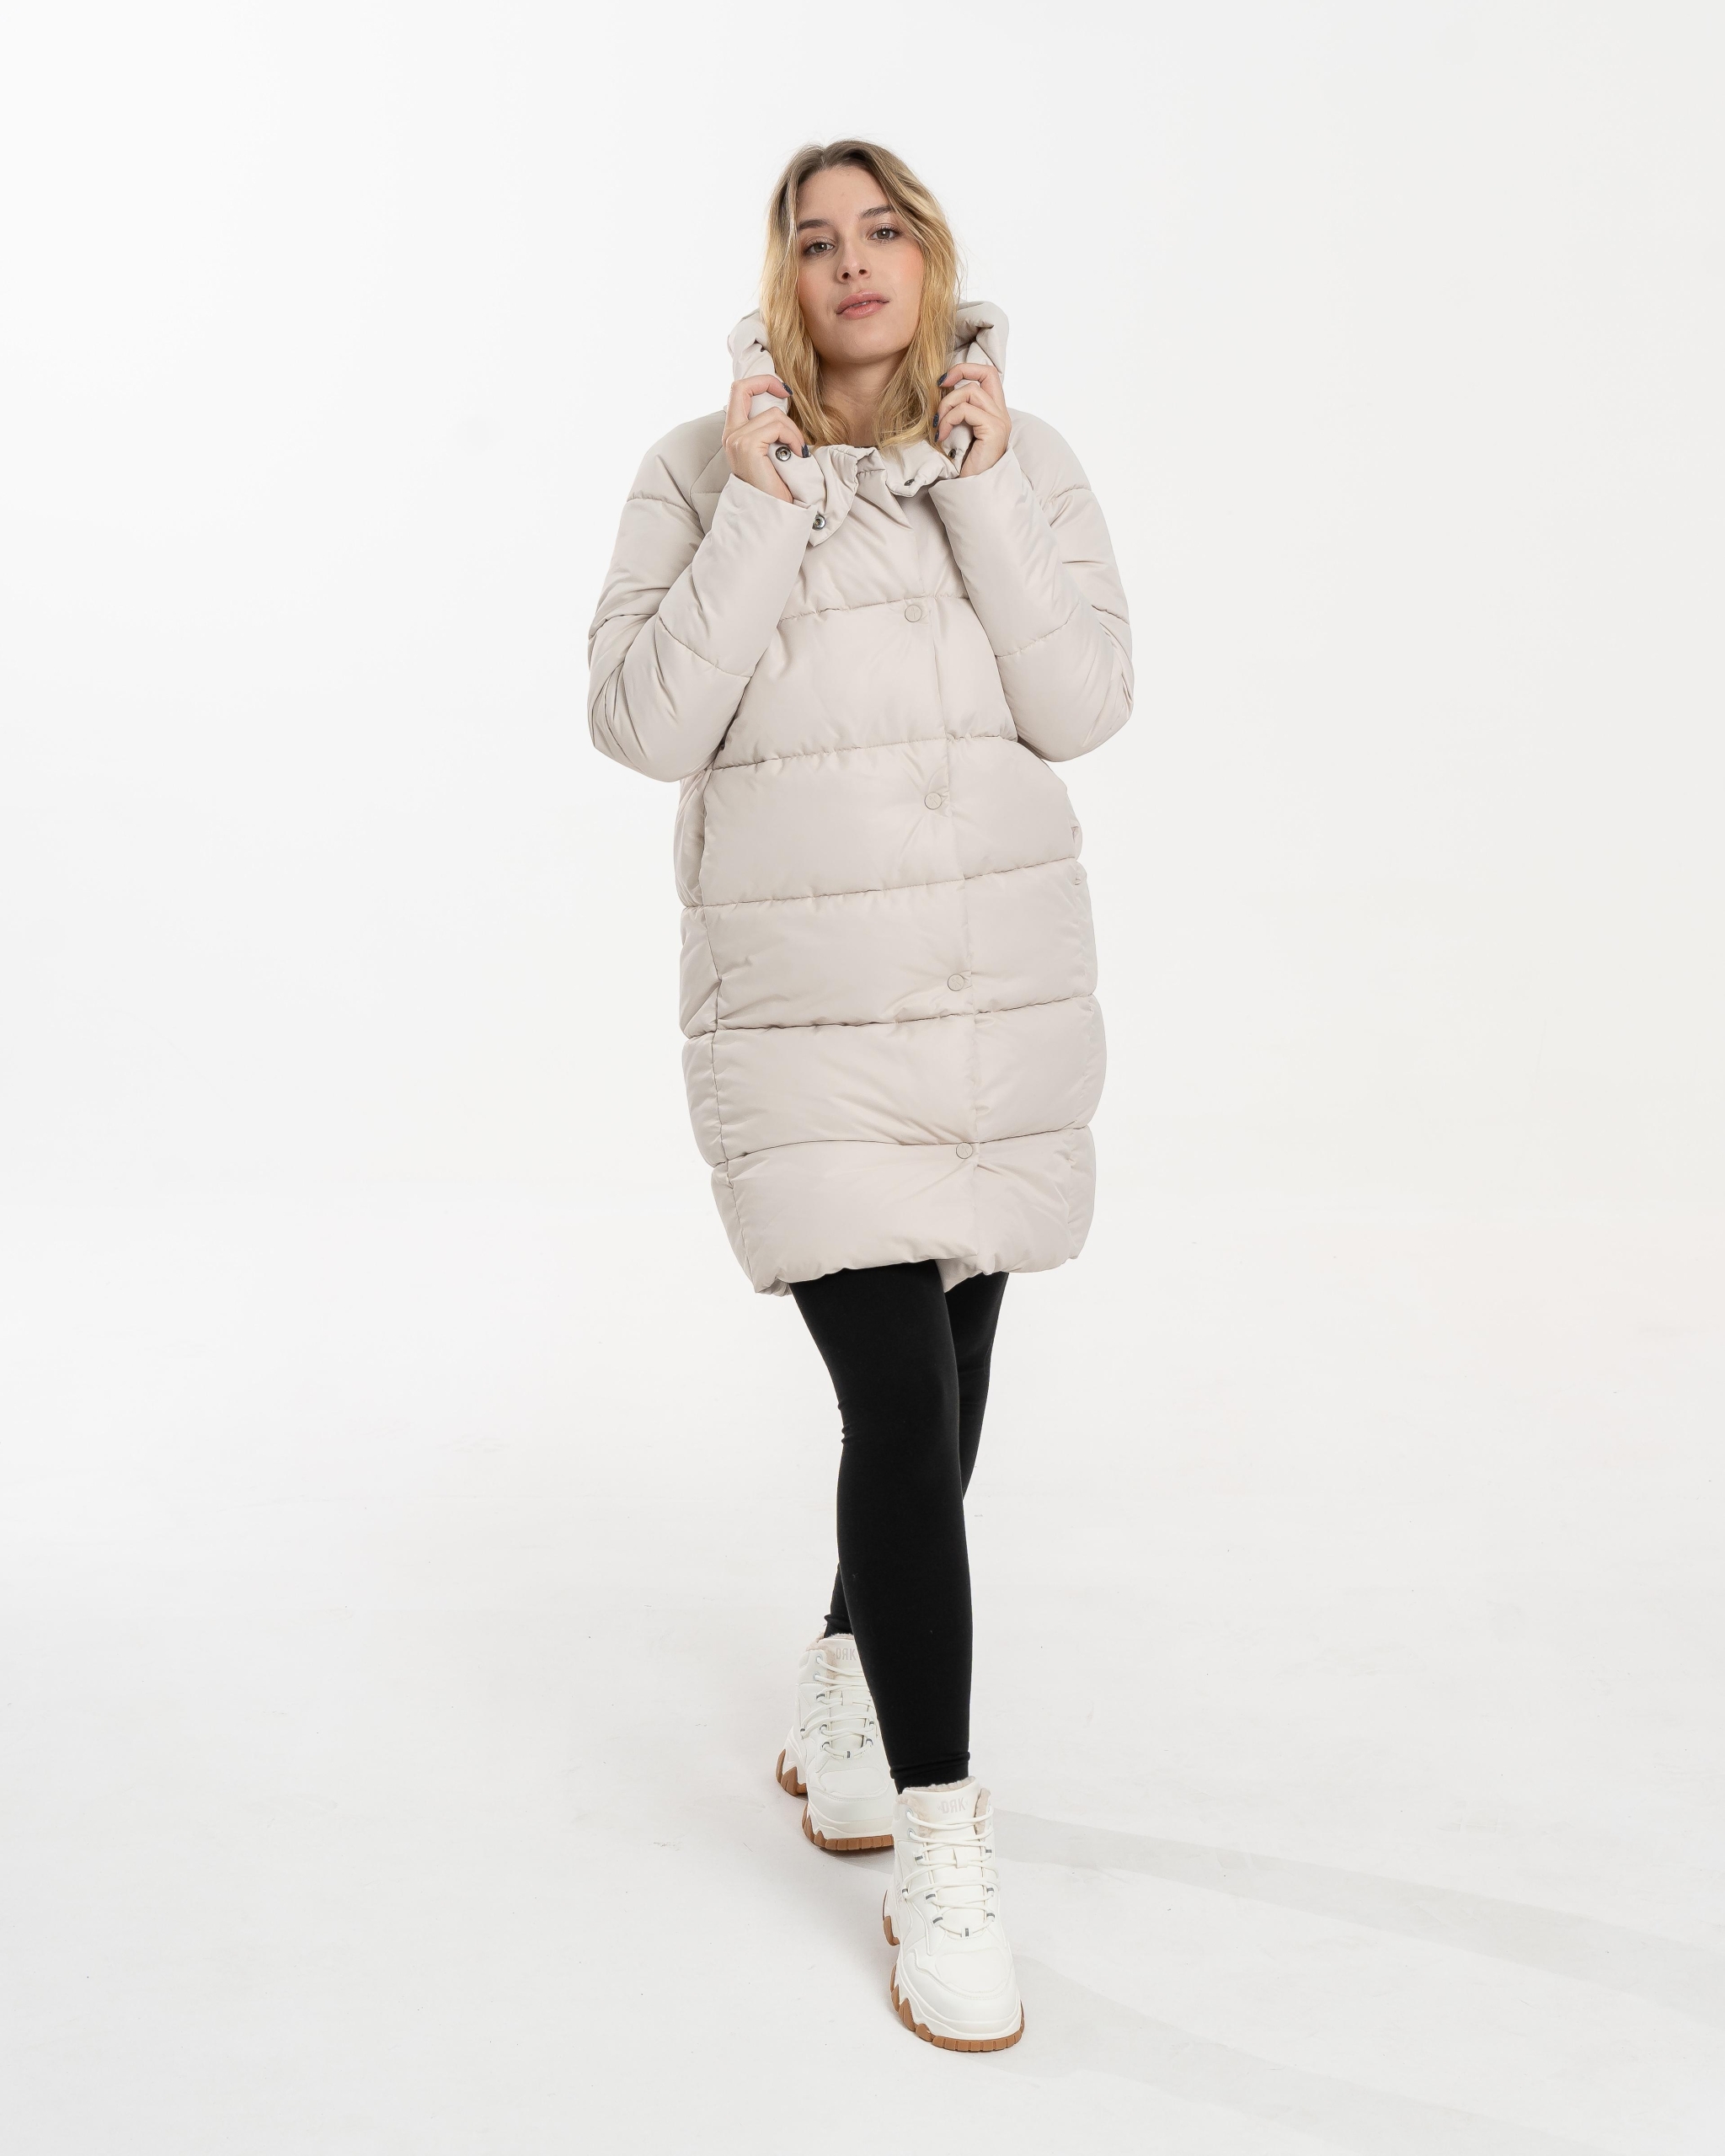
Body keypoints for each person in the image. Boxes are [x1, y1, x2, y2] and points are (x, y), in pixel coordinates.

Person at [587, 138, 1132, 2052]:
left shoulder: (1022, 457)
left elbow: (1082, 705)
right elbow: (642, 722)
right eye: (813, 240)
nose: (850, 266)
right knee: (899, 1403)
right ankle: (944, 1850)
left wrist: (982, 489)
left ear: (930, 253)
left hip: (986, 1005)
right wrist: (756, 511)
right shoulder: (698, 467)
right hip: (807, 1026)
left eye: (881, 230)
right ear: (782, 276)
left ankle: (843, 1668)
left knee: (947, 1398)